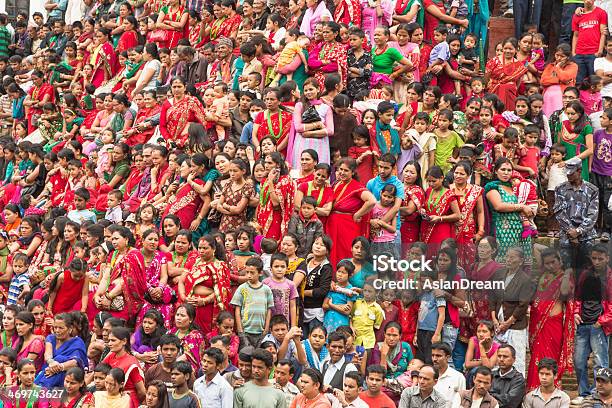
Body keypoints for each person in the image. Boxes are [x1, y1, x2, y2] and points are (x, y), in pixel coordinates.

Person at [526, 249, 574, 390]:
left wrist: (566, 273)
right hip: (537, 323)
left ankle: (551, 391)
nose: (551, 266)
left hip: (553, 324)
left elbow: (565, 292)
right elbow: (536, 247)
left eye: (553, 262)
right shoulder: (543, 276)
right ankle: (533, 389)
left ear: (560, 260)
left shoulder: (565, 277)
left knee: (549, 356)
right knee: (535, 357)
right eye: (547, 263)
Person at [572, 245, 612, 404]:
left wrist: (601, 321)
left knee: (600, 362)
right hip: (583, 323)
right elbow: (577, 295)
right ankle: (583, 392)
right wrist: (575, 312)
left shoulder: (609, 277)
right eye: (594, 258)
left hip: (599, 325)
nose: (596, 262)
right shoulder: (585, 274)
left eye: (600, 259)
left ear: (607, 258)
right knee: (579, 360)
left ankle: (599, 394)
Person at [554, 158, 599, 269]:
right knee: (566, 268)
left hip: (586, 234)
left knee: (587, 270)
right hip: (567, 233)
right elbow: (559, 212)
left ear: (579, 171)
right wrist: (571, 233)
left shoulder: (592, 190)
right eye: (567, 173)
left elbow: (592, 214)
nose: (568, 176)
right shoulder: (560, 189)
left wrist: (578, 231)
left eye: (571, 173)